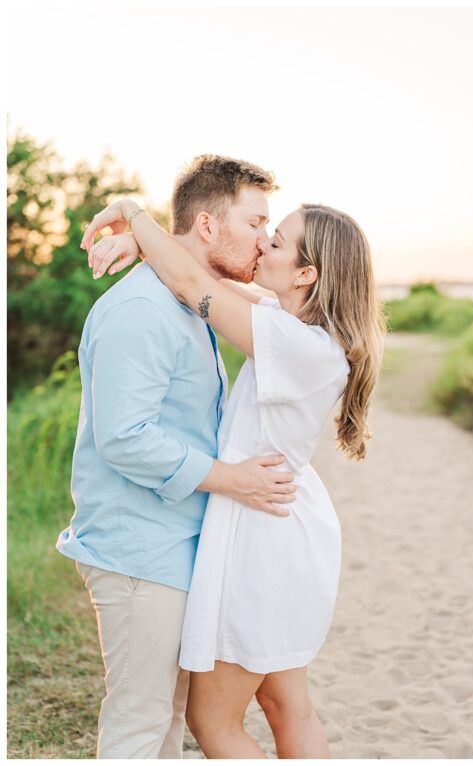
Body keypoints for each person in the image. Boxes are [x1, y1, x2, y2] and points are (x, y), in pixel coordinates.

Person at [82, 192, 385, 757]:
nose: (262, 242)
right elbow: (195, 271)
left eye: (276, 240)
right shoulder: (290, 324)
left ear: (306, 273)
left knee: (213, 721)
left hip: (261, 537)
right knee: (287, 706)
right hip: (280, 523)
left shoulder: (296, 343)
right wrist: (141, 243)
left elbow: (193, 286)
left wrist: (134, 213)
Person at [56, 155, 297, 759]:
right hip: (139, 550)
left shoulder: (192, 304)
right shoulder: (140, 311)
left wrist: (141, 232)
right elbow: (124, 436)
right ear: (210, 227)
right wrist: (234, 480)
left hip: (178, 546)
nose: (266, 240)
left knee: (165, 727)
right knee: (140, 726)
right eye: (255, 222)